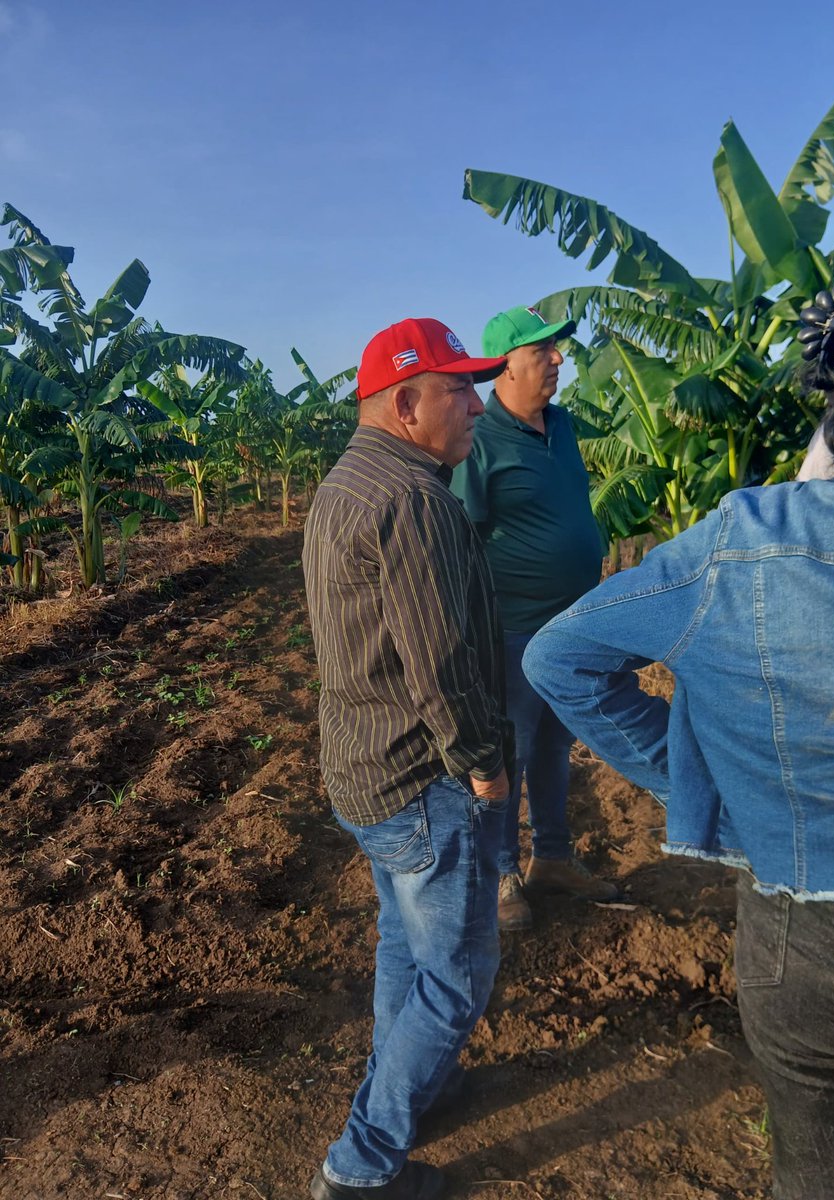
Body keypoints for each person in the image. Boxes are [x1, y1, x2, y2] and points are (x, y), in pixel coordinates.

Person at [522, 253, 834, 1199]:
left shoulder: (746, 534)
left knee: (820, 1175)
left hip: (788, 938)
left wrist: (703, 781)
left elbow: (559, 658)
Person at [303, 317, 511, 1200]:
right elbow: (443, 663)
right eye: (459, 389)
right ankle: (360, 1167)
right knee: (460, 977)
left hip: (361, 769)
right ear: (405, 402)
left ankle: (415, 1085)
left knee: (403, 940)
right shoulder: (414, 501)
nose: (475, 404)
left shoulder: (346, 484)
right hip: (416, 777)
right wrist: (483, 760)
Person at [451, 304, 617, 932]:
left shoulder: (564, 425)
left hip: (571, 625)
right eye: (543, 350)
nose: (558, 359)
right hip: (513, 630)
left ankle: (552, 858)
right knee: (506, 758)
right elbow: (465, 541)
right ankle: (499, 874)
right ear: (504, 366)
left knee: (555, 747)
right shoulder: (478, 439)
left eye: (558, 349)